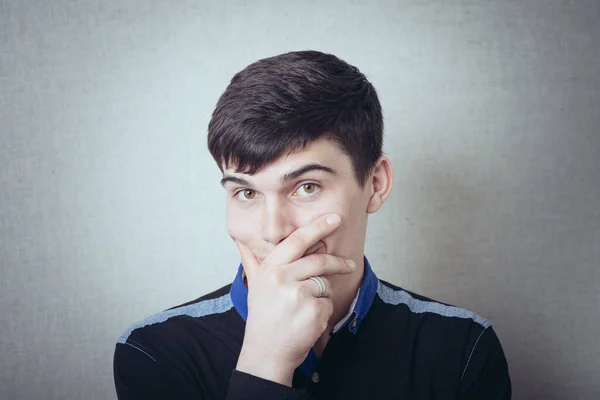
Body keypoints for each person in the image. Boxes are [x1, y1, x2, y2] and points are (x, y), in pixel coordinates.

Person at [113, 50, 511, 399]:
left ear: (375, 184)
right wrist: (264, 363)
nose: (273, 231)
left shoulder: (462, 348)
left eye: (306, 187)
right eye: (247, 193)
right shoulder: (154, 351)